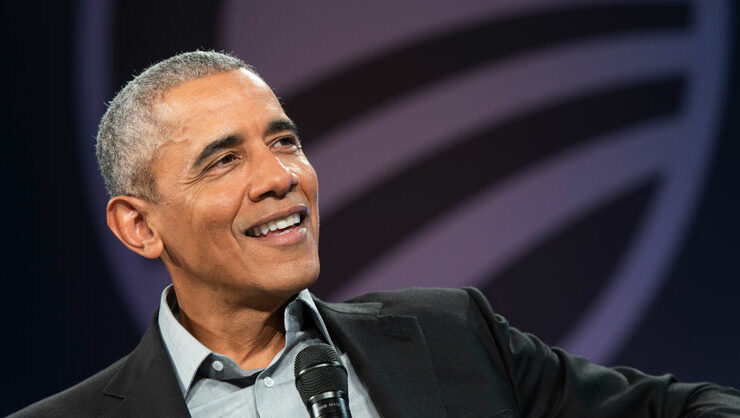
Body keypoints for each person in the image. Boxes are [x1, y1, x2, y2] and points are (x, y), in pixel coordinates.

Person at [11, 51, 740, 417]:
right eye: (225, 160)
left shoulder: (452, 336)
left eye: (285, 141)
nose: (280, 177)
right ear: (139, 225)